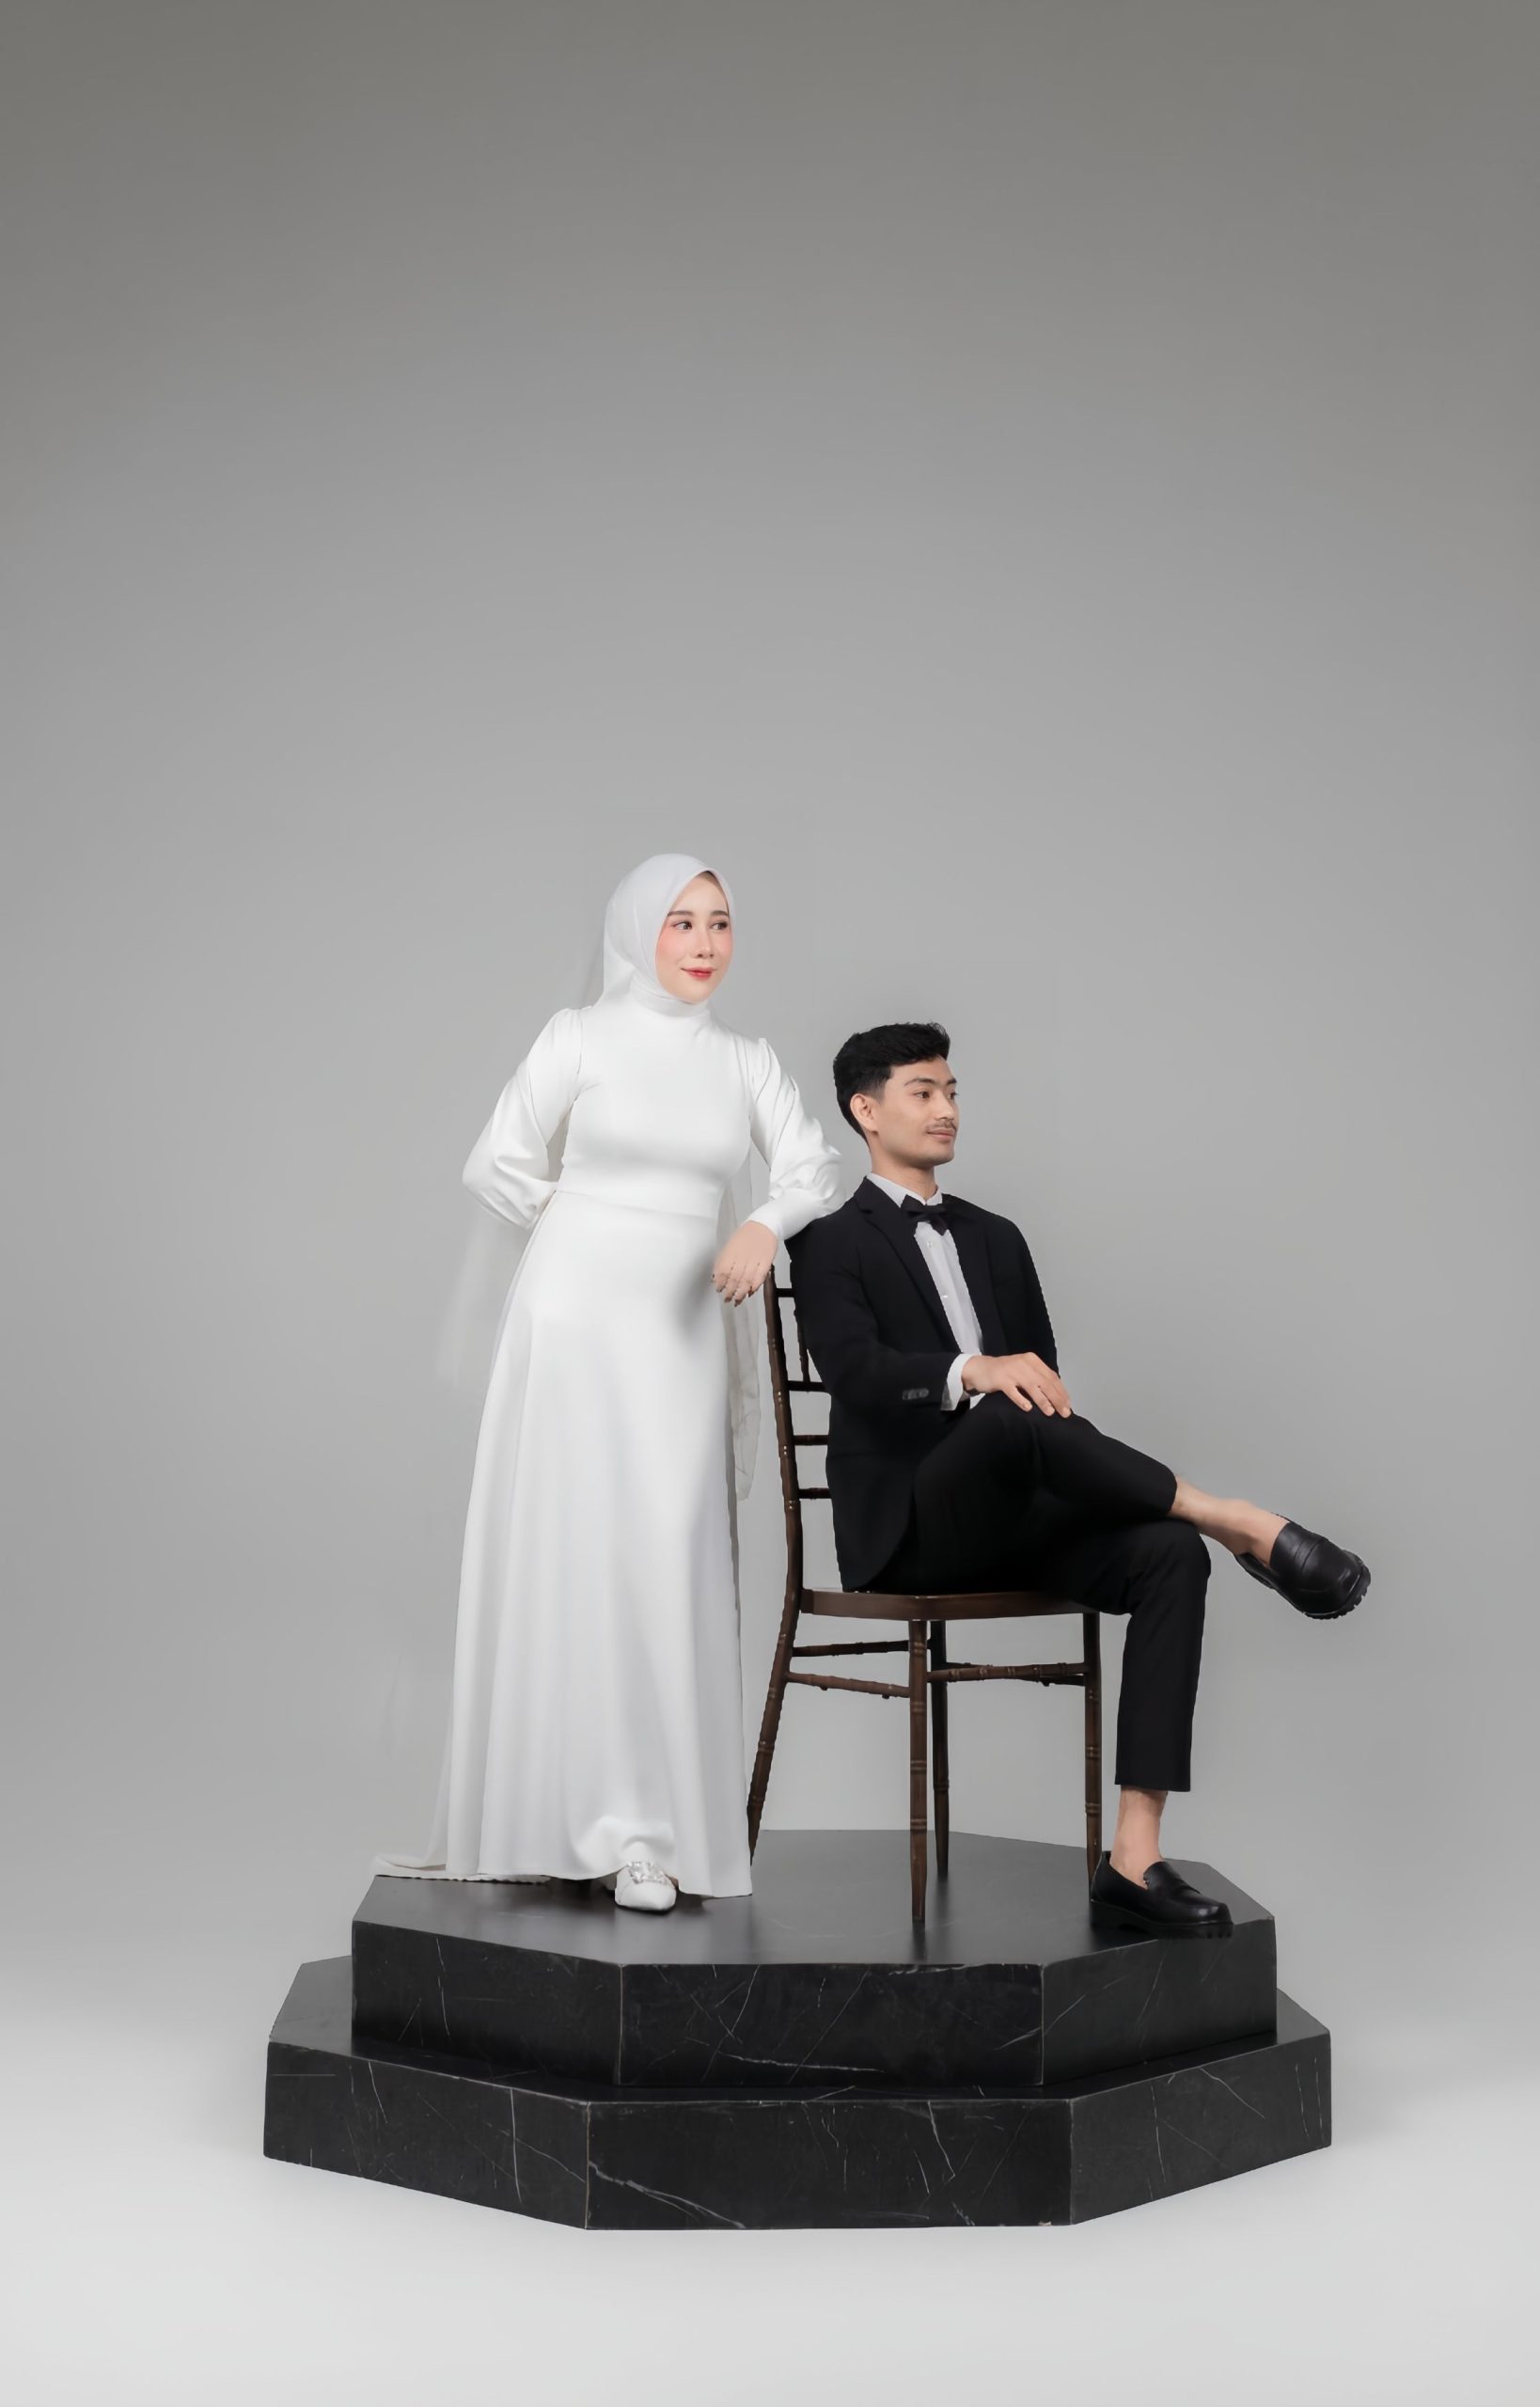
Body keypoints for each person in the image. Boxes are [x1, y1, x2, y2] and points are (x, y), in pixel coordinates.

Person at [787, 1021, 1370, 1938]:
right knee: (1006, 1403)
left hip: (1016, 1510)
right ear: (865, 1110)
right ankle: (1237, 1517)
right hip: (909, 1530)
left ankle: (1134, 1856)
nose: (947, 1109)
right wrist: (971, 1370)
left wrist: (1015, 1396)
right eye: (923, 1092)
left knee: (1168, 1553)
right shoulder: (828, 1241)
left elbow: (1047, 1397)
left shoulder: (998, 1237)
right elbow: (853, 1371)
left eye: (952, 1090)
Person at [376, 855, 843, 1911]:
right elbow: (496, 1160)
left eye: (720, 922)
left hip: (680, 1329)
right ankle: (559, 1818)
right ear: (637, 930)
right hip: (573, 1323)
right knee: (572, 1548)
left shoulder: (745, 1061)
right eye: (682, 922)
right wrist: (584, 1228)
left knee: (667, 1552)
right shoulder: (577, 1036)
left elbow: (812, 1167)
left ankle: (655, 1829)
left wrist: (764, 1223)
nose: (705, 943)